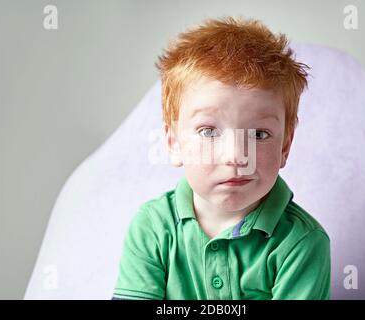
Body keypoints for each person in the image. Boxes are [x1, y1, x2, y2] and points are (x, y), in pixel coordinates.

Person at [112, 16, 330, 300]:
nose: (237, 156)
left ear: (285, 147)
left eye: (259, 134)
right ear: (174, 142)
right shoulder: (151, 227)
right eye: (208, 131)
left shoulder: (301, 242)